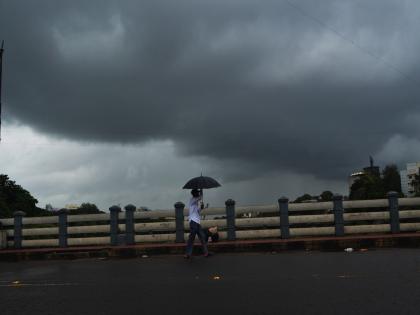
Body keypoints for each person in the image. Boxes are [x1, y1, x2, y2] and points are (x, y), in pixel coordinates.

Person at [185, 189, 209, 258]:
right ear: (194, 194)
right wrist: (201, 190)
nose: (198, 194)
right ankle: (188, 254)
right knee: (191, 238)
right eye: (197, 193)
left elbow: (196, 212)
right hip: (193, 222)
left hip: (197, 221)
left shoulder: (195, 203)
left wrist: (201, 208)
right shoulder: (192, 200)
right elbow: (200, 197)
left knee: (202, 237)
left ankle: (206, 252)